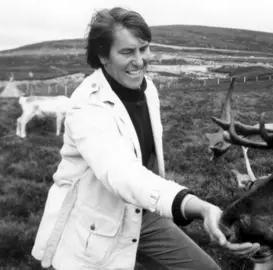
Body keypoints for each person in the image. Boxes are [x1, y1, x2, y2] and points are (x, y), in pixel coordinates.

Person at [31, 7, 260, 270]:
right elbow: (123, 174)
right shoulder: (86, 107)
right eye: (127, 52)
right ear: (103, 56)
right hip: (94, 223)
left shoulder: (148, 88)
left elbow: (143, 166)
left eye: (144, 48)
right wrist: (199, 207)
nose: (140, 61)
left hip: (142, 212)